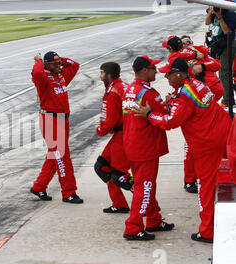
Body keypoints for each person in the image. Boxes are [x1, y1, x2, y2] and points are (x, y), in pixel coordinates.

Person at [134, 58, 232, 243]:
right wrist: (172, 102)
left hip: (207, 142)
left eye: (169, 73)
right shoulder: (196, 84)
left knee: (206, 186)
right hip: (224, 131)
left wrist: (149, 114)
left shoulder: (183, 95)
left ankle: (208, 231)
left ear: (179, 74)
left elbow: (169, 122)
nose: (165, 76)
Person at [121, 55, 174, 241]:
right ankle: (133, 227)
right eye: (153, 68)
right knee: (145, 186)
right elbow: (166, 116)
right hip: (146, 146)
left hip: (133, 144)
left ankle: (153, 220)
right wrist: (170, 103)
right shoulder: (148, 92)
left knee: (146, 184)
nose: (155, 71)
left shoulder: (130, 89)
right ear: (144, 70)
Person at [163, 35, 224, 193]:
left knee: (201, 137)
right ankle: (190, 179)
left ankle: (197, 178)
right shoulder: (179, 59)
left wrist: (202, 65)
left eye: (189, 42)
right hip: (196, 96)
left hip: (204, 94)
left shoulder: (197, 53)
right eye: (184, 43)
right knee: (191, 142)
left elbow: (216, 64)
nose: (188, 45)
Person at [30, 51, 83, 204]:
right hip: (50, 119)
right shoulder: (42, 77)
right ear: (46, 65)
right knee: (62, 156)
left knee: (55, 155)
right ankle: (69, 192)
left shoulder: (61, 74)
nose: (60, 66)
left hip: (62, 118)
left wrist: (59, 60)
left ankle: (39, 186)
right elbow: (38, 70)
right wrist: (39, 61)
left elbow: (75, 64)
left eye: (60, 63)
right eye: (55, 64)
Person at [94, 62, 133, 213]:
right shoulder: (124, 85)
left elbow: (107, 121)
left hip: (123, 135)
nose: (100, 76)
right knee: (101, 167)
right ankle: (119, 204)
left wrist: (100, 130)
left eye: (102, 73)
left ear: (109, 75)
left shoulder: (112, 91)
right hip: (121, 133)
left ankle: (147, 202)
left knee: (119, 175)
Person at [205, 0, 236, 107]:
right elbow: (207, 23)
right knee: (221, 72)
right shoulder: (213, 12)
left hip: (228, 44)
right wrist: (210, 12)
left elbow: (228, 32)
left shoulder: (231, 14)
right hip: (218, 45)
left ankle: (228, 101)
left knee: (225, 73)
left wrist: (219, 16)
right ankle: (227, 99)